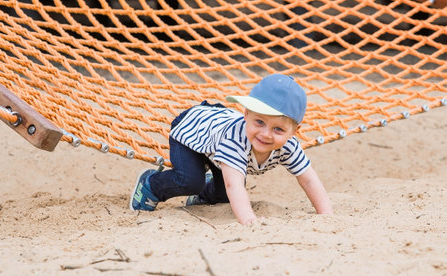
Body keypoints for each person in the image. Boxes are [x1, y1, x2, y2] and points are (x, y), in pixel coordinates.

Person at [129, 73, 333, 225]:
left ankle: (206, 191)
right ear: (246, 114)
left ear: (294, 131)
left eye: (278, 129)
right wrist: (249, 222)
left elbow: (308, 178)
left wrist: (326, 215)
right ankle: (151, 185)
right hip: (193, 130)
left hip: (217, 142)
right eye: (259, 122)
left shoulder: (290, 147)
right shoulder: (236, 139)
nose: (266, 134)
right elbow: (235, 186)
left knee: (224, 197)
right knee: (190, 181)